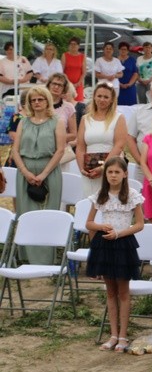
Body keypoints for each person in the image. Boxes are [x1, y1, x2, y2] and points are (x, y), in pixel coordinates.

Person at [85, 157, 144, 353]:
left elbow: (139, 224)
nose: (113, 175)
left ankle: (124, 336)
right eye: (110, 172)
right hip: (105, 244)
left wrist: (119, 233)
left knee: (123, 292)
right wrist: (101, 227)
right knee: (110, 292)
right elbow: (89, 223)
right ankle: (113, 334)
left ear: (125, 174)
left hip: (123, 244)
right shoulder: (100, 195)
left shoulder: (132, 196)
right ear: (105, 174)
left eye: (117, 172)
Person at [12, 86, 66, 263]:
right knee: (26, 214)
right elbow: (15, 150)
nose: (36, 102)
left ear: (47, 100)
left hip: (49, 171)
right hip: (25, 171)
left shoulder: (56, 121)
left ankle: (46, 260)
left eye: (40, 99)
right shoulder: (23, 122)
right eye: (33, 100)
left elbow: (59, 151)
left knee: (47, 215)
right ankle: (27, 258)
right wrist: (26, 172)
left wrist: (43, 174)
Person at [76, 82, 127, 197]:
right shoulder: (85, 119)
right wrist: (82, 169)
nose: (102, 99)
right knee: (90, 200)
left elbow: (119, 145)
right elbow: (80, 146)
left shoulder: (119, 118)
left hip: (112, 167)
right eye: (99, 96)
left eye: (106, 97)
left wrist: (104, 167)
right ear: (94, 97)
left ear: (112, 99)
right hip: (89, 168)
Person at [61, 37, 86, 102]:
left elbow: (84, 72)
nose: (73, 46)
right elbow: (61, 71)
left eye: (75, 44)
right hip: (67, 83)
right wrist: (68, 83)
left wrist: (78, 83)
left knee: (79, 103)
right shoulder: (65, 55)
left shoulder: (82, 56)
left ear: (78, 46)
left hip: (78, 84)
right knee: (67, 102)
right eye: (71, 44)